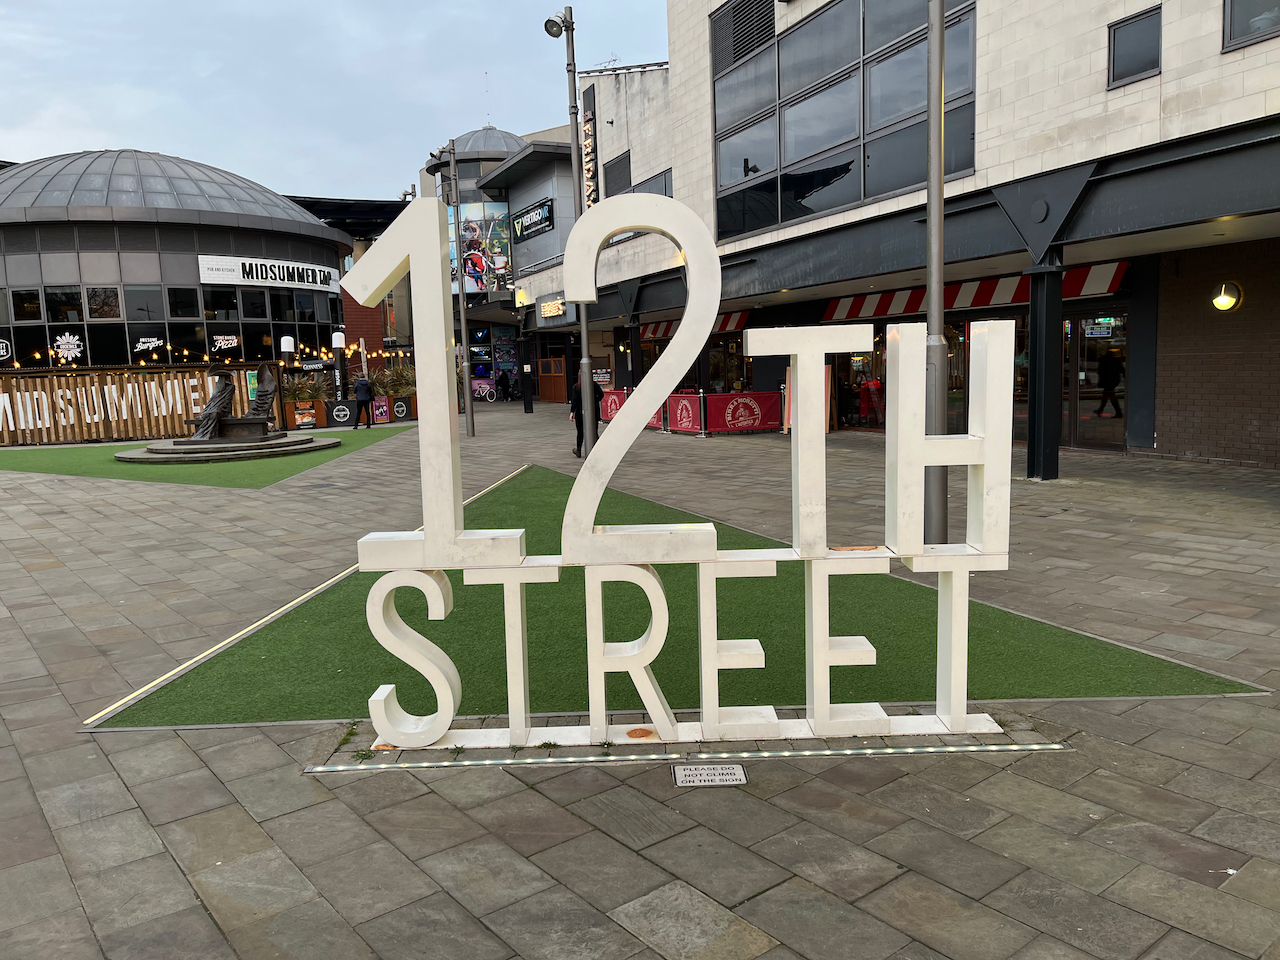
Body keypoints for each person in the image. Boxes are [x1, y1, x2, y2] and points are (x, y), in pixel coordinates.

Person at [569, 378, 604, 458]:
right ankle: (598, 449)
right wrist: (594, 401)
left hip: (580, 412)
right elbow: (601, 395)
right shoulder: (594, 385)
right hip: (593, 411)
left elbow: (574, 400)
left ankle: (578, 450)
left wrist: (572, 412)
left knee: (580, 432)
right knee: (594, 432)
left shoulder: (576, 387)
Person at [1095, 348, 1125, 419]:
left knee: (1109, 395)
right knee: (1107, 394)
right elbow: (1122, 370)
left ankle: (1117, 412)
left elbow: (1100, 371)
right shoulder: (1116, 360)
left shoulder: (1103, 360)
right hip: (1114, 380)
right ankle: (1101, 410)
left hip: (1107, 381)